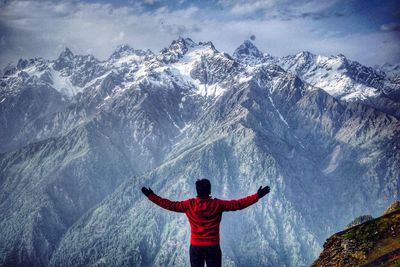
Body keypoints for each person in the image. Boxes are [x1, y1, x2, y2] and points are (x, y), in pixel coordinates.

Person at [141, 178, 270, 267]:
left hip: (195, 247)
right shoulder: (217, 204)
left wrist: (151, 196)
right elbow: (238, 204)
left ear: (197, 191)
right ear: (209, 190)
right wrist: (256, 196)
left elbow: (169, 205)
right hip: (213, 247)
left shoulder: (189, 205)